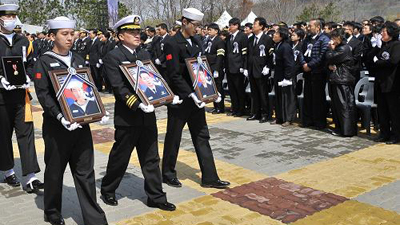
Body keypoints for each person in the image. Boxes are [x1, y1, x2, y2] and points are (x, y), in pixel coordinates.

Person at [33, 16, 108, 225]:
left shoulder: (77, 59)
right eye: (64, 34)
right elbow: (43, 95)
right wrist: (59, 116)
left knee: (85, 172)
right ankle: (52, 211)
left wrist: (98, 110)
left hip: (81, 125)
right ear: (52, 36)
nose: (70, 38)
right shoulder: (44, 61)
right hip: (58, 127)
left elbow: (88, 86)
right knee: (55, 171)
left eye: (71, 33)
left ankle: (94, 218)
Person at [100, 15, 176, 211]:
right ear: (120, 35)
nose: (137, 35)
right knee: (120, 157)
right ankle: (108, 189)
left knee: (151, 158)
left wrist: (167, 95)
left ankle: (156, 197)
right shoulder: (113, 57)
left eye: (137, 31)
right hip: (128, 116)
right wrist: (137, 104)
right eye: (131, 32)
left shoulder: (143, 54)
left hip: (147, 116)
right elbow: (118, 87)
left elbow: (153, 80)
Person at [162, 8, 230, 189]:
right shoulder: (171, 42)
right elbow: (174, 74)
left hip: (197, 99)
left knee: (202, 136)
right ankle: (168, 173)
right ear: (184, 22)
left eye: (200, 26)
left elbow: (201, 68)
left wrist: (210, 89)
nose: (198, 29)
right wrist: (190, 94)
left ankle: (210, 177)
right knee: (174, 137)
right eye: (196, 25)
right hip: (182, 99)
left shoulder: (197, 41)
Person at [0, 3, 44, 193]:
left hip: (21, 96)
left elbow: (32, 63)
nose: (11, 20)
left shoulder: (24, 41)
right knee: (3, 135)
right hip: (1, 97)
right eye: (7, 17)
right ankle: (8, 170)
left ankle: (30, 176)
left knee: (26, 134)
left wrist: (29, 76)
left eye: (13, 16)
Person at [368, 21, 400, 144]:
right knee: (382, 110)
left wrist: (378, 62)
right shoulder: (382, 46)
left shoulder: (396, 45)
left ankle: (396, 135)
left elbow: (393, 61)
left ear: (391, 33)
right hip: (380, 83)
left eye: (384, 32)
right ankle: (384, 133)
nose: (381, 33)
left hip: (391, 83)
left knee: (394, 111)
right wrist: (377, 47)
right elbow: (371, 59)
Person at [326, 28, 357, 137]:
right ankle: (340, 128)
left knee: (344, 106)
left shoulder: (344, 48)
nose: (332, 40)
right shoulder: (339, 48)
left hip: (342, 80)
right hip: (337, 79)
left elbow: (330, 57)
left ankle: (346, 130)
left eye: (334, 38)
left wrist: (330, 49)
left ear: (340, 38)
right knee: (337, 107)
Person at [301, 18, 330, 130]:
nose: (308, 28)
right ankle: (308, 120)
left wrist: (310, 65)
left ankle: (319, 122)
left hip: (318, 73)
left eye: (310, 26)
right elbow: (301, 52)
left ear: (318, 27)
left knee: (318, 98)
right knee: (308, 97)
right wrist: (303, 63)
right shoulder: (307, 39)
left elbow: (322, 56)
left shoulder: (324, 39)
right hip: (307, 73)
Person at [246, 17, 274, 123]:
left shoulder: (267, 39)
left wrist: (268, 66)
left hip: (262, 70)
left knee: (263, 94)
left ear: (261, 26)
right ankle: (255, 113)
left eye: (255, 24)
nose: (253, 26)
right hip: (252, 70)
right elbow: (248, 55)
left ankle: (265, 114)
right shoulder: (250, 39)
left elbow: (271, 55)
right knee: (254, 94)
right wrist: (246, 68)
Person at [272, 26, 297, 127]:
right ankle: (279, 117)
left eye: (276, 33)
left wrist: (287, 78)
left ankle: (288, 119)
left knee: (287, 98)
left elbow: (289, 64)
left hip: (286, 77)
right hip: (278, 75)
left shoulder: (286, 47)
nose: (274, 35)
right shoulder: (277, 45)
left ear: (281, 36)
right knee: (278, 97)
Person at [225, 17, 248, 117]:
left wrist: (243, 66)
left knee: (239, 90)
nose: (230, 27)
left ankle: (241, 109)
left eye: (232, 25)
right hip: (230, 67)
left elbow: (244, 53)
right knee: (232, 90)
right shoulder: (229, 37)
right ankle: (234, 108)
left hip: (238, 66)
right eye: (229, 25)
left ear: (237, 26)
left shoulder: (242, 36)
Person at [204, 23, 225, 114]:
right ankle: (215, 106)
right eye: (208, 30)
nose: (208, 32)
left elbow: (220, 56)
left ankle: (220, 107)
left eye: (210, 30)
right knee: (213, 88)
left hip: (216, 67)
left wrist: (217, 69)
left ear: (216, 31)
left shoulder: (219, 41)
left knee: (218, 88)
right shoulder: (209, 40)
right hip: (209, 66)